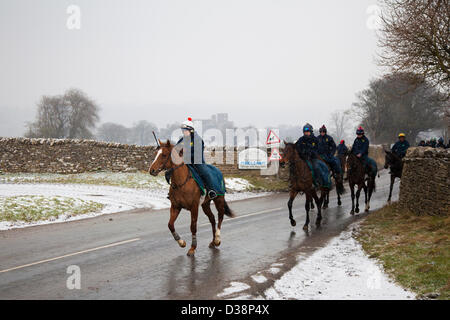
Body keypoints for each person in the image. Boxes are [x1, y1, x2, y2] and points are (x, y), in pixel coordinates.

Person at [175, 117, 218, 199]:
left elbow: (196, 153)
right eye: (183, 130)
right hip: (185, 161)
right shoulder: (182, 139)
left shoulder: (197, 139)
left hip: (197, 161)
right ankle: (173, 191)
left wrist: (185, 155)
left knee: (204, 172)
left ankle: (211, 190)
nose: (183, 132)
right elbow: (176, 148)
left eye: (185, 130)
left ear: (191, 130)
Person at [294, 123, 331, 188]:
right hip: (303, 158)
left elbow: (318, 149)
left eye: (308, 132)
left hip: (313, 158)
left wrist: (312, 153)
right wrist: (302, 153)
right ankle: (294, 182)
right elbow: (297, 148)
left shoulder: (315, 139)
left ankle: (317, 181)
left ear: (311, 132)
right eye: (305, 132)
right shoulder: (301, 139)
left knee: (316, 167)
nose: (306, 133)